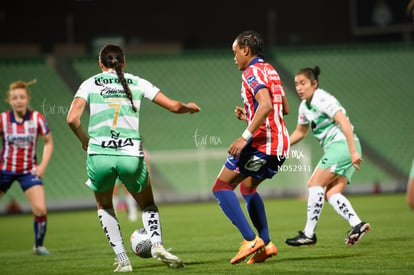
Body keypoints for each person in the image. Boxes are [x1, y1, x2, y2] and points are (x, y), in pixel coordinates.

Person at [67, 44, 200, 272]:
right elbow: (173, 106)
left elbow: (72, 119)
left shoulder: (89, 83)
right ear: (124, 62)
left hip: (99, 154)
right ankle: (157, 244)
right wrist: (188, 107)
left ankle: (123, 260)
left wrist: (85, 140)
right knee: (147, 204)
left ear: (100, 64)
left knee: (105, 205)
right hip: (130, 154)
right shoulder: (137, 82)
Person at [212, 30, 290, 265]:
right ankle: (266, 245)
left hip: (262, 145)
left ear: (245, 49)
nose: (234, 58)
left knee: (221, 186)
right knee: (247, 188)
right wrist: (249, 114)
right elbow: (283, 108)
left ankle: (250, 240)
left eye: (235, 52)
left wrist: (244, 136)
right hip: (279, 146)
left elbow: (265, 104)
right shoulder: (270, 70)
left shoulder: (251, 72)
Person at [285, 66, 371, 247]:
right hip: (344, 149)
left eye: (303, 83)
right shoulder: (304, 106)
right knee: (331, 193)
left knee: (314, 184)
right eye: (296, 84)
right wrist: (282, 145)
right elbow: (300, 132)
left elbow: (344, 121)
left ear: (314, 84)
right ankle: (357, 224)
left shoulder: (322, 98)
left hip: (343, 146)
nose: (299, 88)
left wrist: (353, 150)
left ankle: (308, 234)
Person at [0, 80, 54, 255]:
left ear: (28, 98)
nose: (19, 100)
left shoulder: (37, 118)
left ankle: (38, 246)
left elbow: (48, 143)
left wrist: (43, 165)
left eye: (22, 97)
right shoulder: (2, 119)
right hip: (4, 170)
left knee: (40, 209)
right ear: (9, 100)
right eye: (15, 98)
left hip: (28, 171)